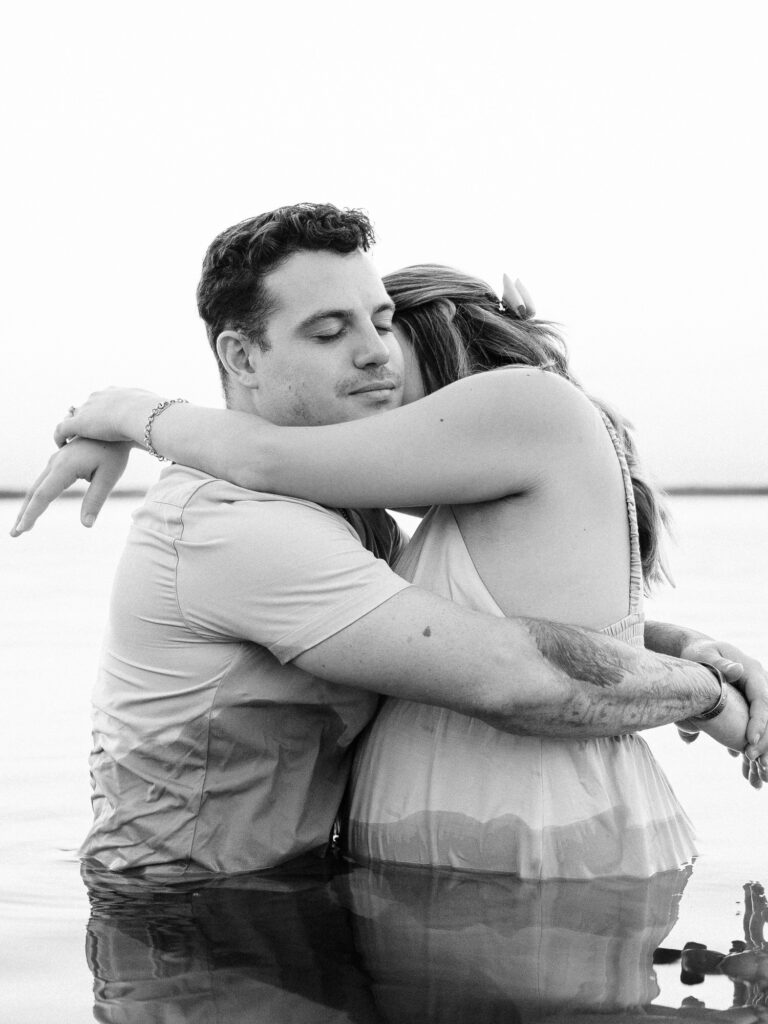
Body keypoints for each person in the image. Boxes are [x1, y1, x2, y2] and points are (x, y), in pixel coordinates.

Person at [12, 204, 768, 878]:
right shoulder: (232, 521)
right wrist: (704, 693)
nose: (376, 354)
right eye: (330, 331)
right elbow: (513, 674)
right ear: (241, 357)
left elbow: (477, 619)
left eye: (379, 322)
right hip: (191, 914)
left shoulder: (354, 513)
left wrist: (680, 645)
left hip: (306, 893)